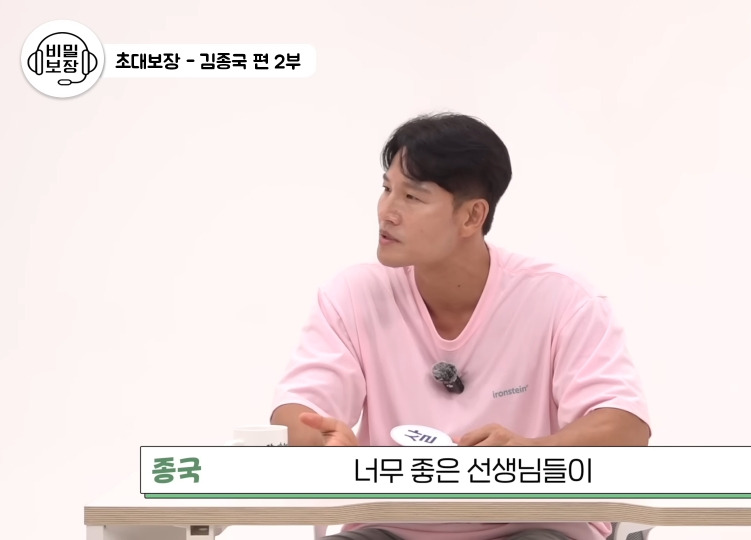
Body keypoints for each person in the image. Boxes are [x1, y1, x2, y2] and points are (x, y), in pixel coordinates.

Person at [270, 112, 652, 540]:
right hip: (391, 528)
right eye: (387, 188)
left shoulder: (563, 299)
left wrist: (530, 453)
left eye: (412, 197)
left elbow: (625, 427)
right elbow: (298, 411)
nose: (387, 212)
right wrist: (319, 443)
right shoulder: (352, 296)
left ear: (472, 216)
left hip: (534, 525)